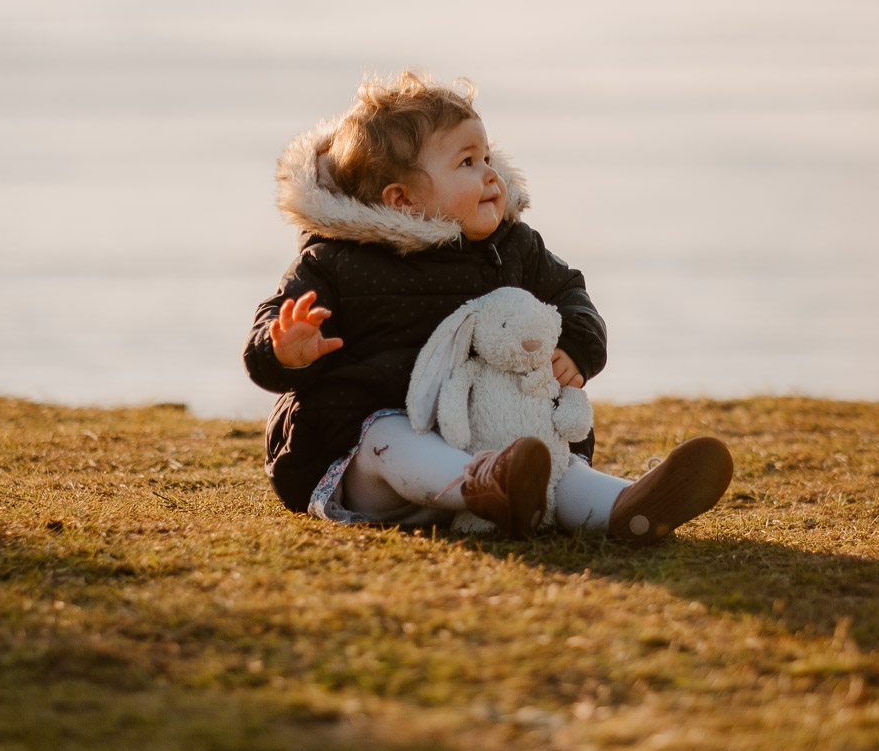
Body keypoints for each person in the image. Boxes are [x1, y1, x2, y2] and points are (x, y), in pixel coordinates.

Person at [243, 72, 732, 544]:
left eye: (487, 155)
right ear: (404, 200)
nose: (491, 174)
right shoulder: (335, 262)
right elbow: (270, 333)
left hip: (493, 434)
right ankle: (486, 486)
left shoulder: (513, 246)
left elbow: (570, 295)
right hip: (371, 461)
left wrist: (578, 348)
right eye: (466, 164)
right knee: (389, 435)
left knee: (558, 469)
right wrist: (286, 351)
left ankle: (626, 507)